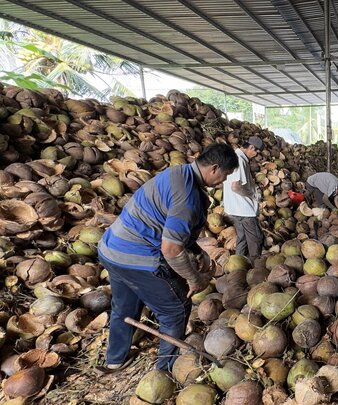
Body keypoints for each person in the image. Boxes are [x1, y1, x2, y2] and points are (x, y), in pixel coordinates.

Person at [96, 143, 237, 374]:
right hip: (137, 255)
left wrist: (197, 252)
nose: (224, 181)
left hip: (111, 249)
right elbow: (171, 249)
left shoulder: (178, 172)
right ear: (214, 168)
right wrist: (194, 279)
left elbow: (170, 226)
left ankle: (115, 360)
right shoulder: (188, 198)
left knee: (124, 305)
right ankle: (165, 372)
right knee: (176, 309)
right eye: (225, 175)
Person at [223, 136, 264, 260]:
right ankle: (255, 267)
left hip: (235, 209)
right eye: (256, 151)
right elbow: (235, 186)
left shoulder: (237, 157)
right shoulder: (239, 159)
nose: (256, 155)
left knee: (243, 239)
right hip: (244, 210)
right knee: (256, 239)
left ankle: (238, 267)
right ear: (251, 147)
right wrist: (252, 194)